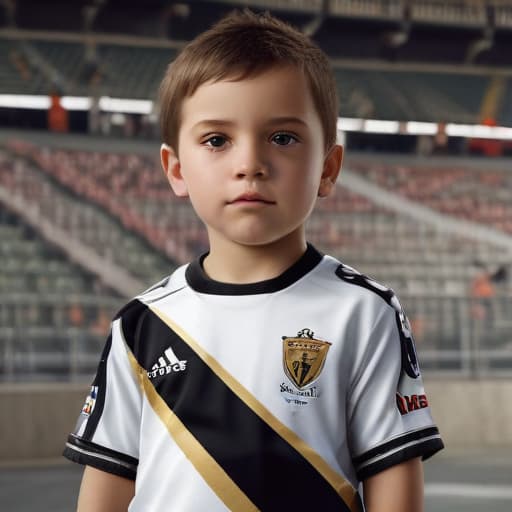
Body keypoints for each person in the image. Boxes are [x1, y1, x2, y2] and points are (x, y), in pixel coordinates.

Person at [63, 10, 443, 511]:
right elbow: (106, 489)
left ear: (328, 168)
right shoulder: (141, 323)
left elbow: (394, 481)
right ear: (175, 169)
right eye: (217, 140)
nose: (250, 164)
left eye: (282, 138)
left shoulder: (364, 311)